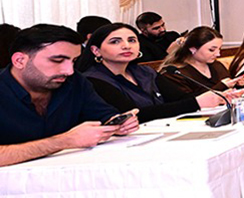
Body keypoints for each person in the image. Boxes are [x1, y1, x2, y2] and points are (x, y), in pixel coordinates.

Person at [1, 24, 141, 166]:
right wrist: (64, 141)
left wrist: (118, 124)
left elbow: (103, 114)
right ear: (20, 61)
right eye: (57, 60)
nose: (69, 71)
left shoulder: (74, 81)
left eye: (73, 61)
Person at [83, 23, 225, 122]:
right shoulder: (94, 79)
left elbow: (180, 98)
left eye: (132, 40)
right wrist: (196, 103)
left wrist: (218, 95)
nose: (126, 46)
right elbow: (134, 114)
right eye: (115, 42)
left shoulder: (145, 72)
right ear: (96, 50)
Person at [156, 26, 235, 101]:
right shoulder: (174, 73)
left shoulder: (217, 65)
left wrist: (237, 85)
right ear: (193, 49)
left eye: (219, 49)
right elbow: (187, 102)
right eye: (211, 50)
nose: (218, 54)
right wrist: (221, 86)